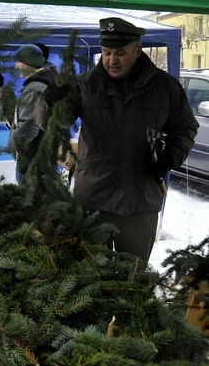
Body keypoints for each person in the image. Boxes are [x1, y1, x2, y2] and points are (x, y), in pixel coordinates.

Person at [34, 17, 199, 263]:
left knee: (132, 279)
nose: (112, 60)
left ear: (137, 49)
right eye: (106, 52)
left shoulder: (164, 87)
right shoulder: (85, 85)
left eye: (120, 53)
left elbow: (185, 128)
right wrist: (49, 100)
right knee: (90, 278)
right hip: (92, 200)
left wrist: (169, 158)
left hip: (139, 201)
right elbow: (49, 123)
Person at [6, 44, 55, 182]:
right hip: (41, 152)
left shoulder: (34, 89)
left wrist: (12, 146)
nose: (16, 66)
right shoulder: (45, 81)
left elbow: (30, 125)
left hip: (32, 154)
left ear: (30, 63)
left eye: (19, 62)